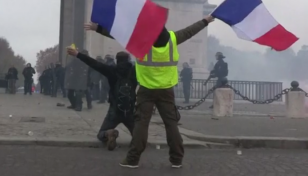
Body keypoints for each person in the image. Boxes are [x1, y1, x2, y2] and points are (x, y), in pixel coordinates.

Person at [85, 15, 215, 168]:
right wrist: (206, 20)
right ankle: (176, 159)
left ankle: (133, 159)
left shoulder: (141, 41)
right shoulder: (173, 38)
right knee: (171, 124)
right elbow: (190, 31)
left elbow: (119, 35)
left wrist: (98, 28)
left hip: (146, 89)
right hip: (166, 89)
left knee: (141, 124)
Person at [67, 48, 137, 151]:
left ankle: (108, 134)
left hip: (115, 110)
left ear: (117, 60)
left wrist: (78, 54)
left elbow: (94, 63)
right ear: (128, 60)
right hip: (130, 110)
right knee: (139, 135)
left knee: (101, 133)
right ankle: (137, 139)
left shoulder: (112, 70)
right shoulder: (135, 71)